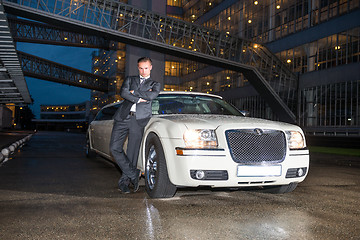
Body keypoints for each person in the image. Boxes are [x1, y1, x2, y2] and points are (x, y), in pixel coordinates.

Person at [110, 57, 160, 194]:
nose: (143, 71)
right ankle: (134, 174)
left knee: (132, 153)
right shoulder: (130, 79)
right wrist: (139, 98)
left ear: (151, 67)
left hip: (138, 120)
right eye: (140, 68)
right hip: (122, 117)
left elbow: (151, 96)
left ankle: (124, 183)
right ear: (138, 67)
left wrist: (133, 93)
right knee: (114, 148)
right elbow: (123, 93)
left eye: (146, 68)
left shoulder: (155, 84)